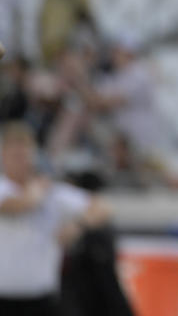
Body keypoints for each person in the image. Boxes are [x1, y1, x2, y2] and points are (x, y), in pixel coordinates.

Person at [0, 122, 110, 315]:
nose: (21, 161)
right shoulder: (12, 189)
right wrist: (36, 191)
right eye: (14, 155)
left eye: (24, 154)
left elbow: (101, 207)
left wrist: (78, 225)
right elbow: (19, 205)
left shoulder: (51, 192)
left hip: (41, 297)